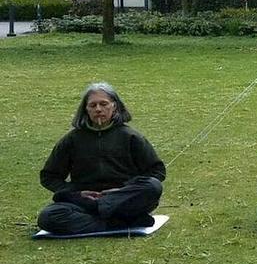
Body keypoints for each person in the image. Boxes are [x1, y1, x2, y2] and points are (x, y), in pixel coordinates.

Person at [37, 83, 165, 235]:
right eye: (93, 105)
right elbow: (49, 176)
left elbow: (157, 171)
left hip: (123, 201)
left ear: (114, 106)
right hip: (86, 203)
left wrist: (121, 191)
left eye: (103, 104)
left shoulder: (130, 136)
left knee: (152, 186)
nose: (98, 109)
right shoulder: (72, 140)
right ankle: (116, 224)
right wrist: (76, 192)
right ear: (86, 109)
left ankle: (104, 214)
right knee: (48, 217)